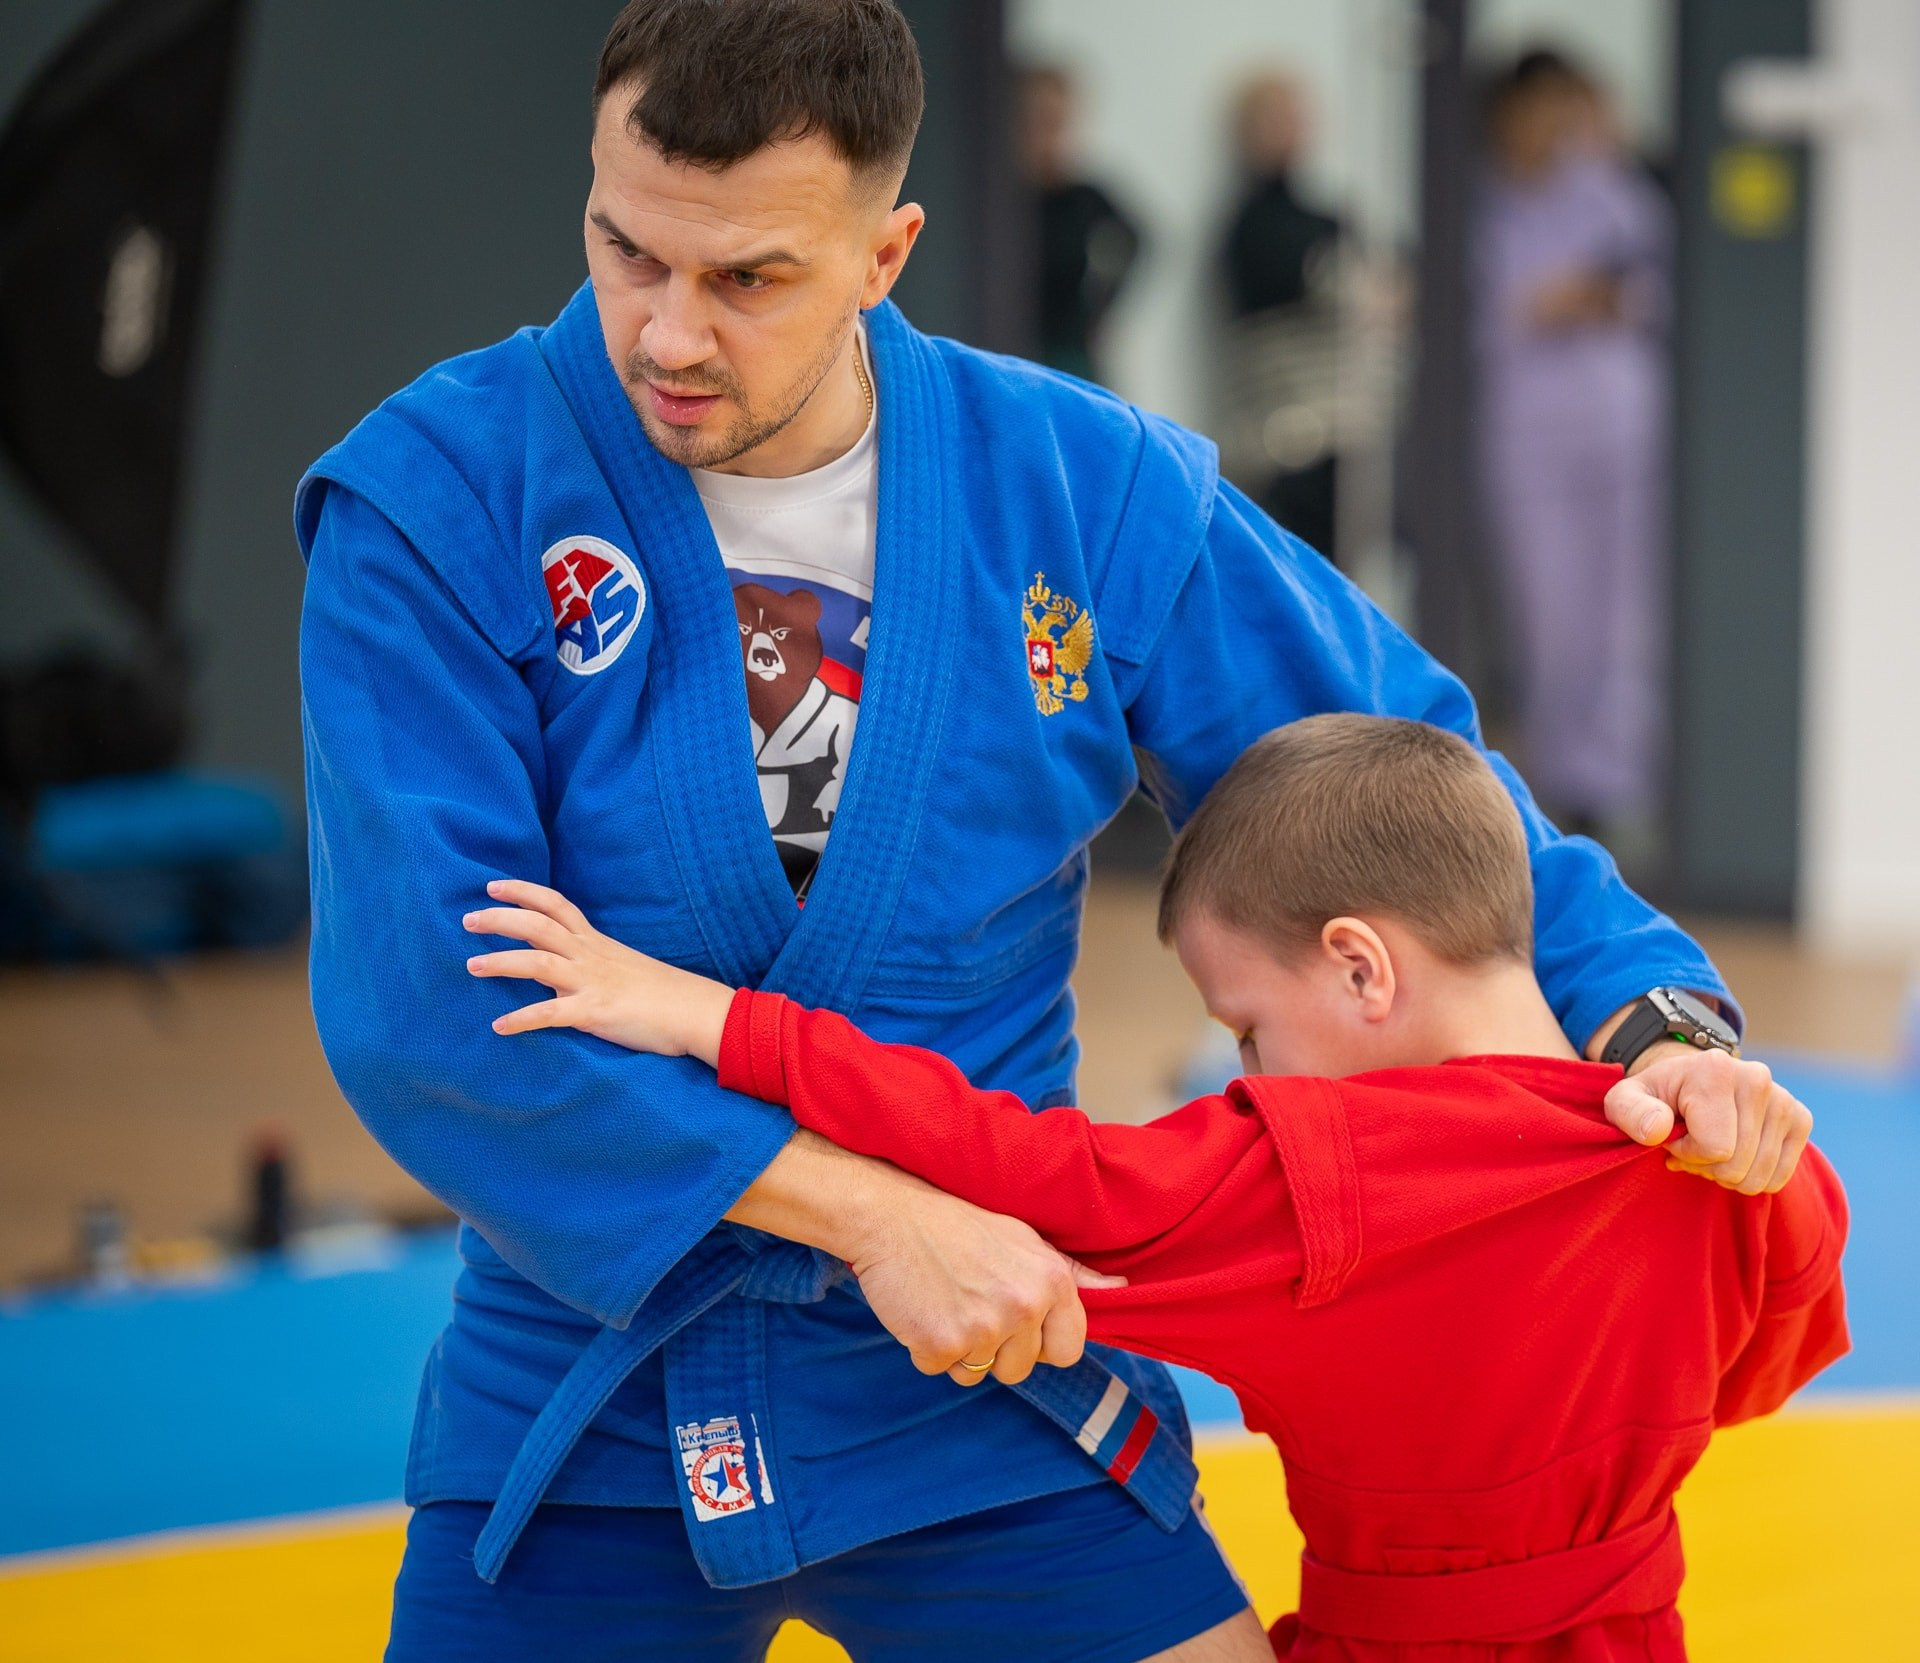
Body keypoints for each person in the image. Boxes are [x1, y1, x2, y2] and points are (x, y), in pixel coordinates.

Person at [294, 3, 1814, 1658]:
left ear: (887, 253)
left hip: (1002, 1371)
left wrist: (1660, 1028)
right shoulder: (438, 499)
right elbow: (436, 1007)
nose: (665, 332)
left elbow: (1418, 782)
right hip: (596, 1384)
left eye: (749, 280)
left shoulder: (1079, 490)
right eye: (625, 248)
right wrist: (875, 1215)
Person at [460, 715, 1848, 1661]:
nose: (1245, 1063)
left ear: (1364, 967)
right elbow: (1763, 1368)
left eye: (1248, 1024)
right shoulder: (1722, 1160)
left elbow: (1024, 1165)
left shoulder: (1313, 1177)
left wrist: (712, 1017)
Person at [1473, 50, 1672, 837]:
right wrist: (1549, 302)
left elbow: (1654, 288)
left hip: (1622, 434)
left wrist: (1588, 297)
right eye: (1540, 109)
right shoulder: (1482, 207)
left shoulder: (1614, 195)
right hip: (1527, 439)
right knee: (1546, 618)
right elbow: (1484, 314)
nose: (1553, 128)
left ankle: (1611, 790)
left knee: (1620, 618)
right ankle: (1551, 793)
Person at [1214, 71, 1347, 562]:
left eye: (1294, 116)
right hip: (1286, 443)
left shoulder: (1329, 217)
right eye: (1272, 117)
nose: (1288, 129)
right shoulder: (1250, 227)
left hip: (1347, 435)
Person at [1022, 64, 1141, 385]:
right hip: (1006, 346)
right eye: (1041, 124)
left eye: (1059, 125)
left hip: (1069, 352)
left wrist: (1101, 309)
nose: (1051, 137)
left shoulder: (1084, 198)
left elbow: (1138, 240)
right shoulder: (998, 203)